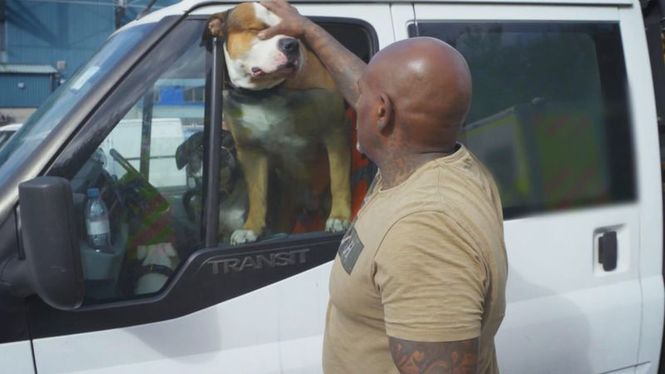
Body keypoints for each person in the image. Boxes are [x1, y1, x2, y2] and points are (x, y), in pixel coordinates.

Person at [258, 1, 508, 372]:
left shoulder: (425, 230)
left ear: (381, 113)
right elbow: (375, 91)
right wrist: (307, 30)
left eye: (362, 98)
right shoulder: (443, 163)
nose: (353, 103)